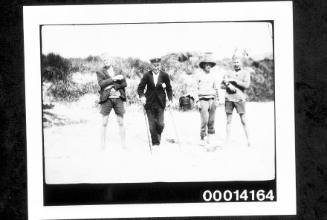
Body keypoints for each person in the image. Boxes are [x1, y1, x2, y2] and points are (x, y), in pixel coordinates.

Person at [137, 58, 172, 147]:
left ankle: (158, 133)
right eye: (154, 65)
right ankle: (155, 143)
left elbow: (169, 89)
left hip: (160, 103)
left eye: (158, 65)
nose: (156, 67)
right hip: (149, 103)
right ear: (151, 66)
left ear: (160, 65)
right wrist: (142, 97)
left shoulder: (165, 75)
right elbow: (140, 88)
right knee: (152, 126)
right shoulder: (147, 75)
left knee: (160, 124)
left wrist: (170, 99)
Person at [96, 59, 127, 150]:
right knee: (104, 122)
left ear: (111, 59)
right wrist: (114, 79)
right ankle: (102, 144)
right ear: (103, 61)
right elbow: (101, 84)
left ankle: (123, 144)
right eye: (104, 59)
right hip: (106, 99)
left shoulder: (119, 70)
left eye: (108, 59)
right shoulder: (100, 71)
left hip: (118, 98)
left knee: (121, 122)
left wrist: (113, 86)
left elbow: (124, 83)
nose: (106, 61)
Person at [221, 57, 251, 147]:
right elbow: (221, 86)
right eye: (234, 62)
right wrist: (228, 85)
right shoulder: (228, 73)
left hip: (240, 99)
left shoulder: (245, 73)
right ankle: (227, 140)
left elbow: (246, 85)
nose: (236, 64)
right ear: (232, 64)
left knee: (243, 120)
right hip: (229, 99)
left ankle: (249, 140)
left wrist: (235, 81)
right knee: (228, 121)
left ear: (241, 63)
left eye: (238, 62)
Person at [195, 59, 220, 148]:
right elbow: (195, 88)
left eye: (210, 65)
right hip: (203, 99)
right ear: (203, 66)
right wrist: (197, 101)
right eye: (206, 65)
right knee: (205, 120)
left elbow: (216, 88)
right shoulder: (199, 76)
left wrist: (217, 100)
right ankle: (202, 137)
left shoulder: (213, 76)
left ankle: (210, 137)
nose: (208, 66)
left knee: (211, 120)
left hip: (212, 99)